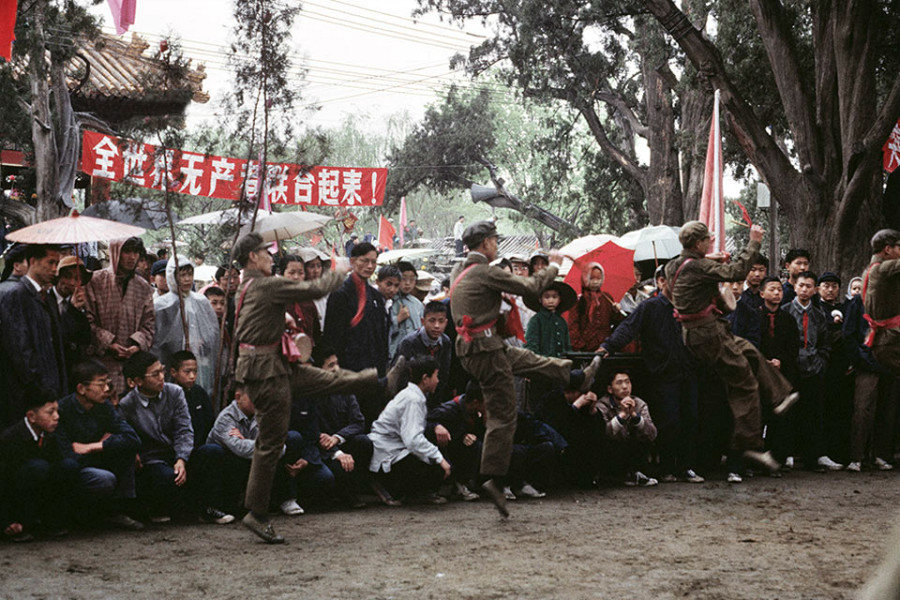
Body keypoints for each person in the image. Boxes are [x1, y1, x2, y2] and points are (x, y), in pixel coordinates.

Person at [231, 232, 381, 544]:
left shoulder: (245, 288)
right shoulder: (266, 284)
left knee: (326, 381)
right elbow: (314, 288)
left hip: (271, 367)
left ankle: (373, 380)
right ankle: (257, 513)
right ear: (251, 258)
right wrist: (342, 270)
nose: (271, 257)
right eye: (265, 252)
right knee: (270, 444)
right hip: (269, 372)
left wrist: (280, 319)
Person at [449, 220, 600, 516]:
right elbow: (531, 286)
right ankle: (492, 478)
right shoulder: (485, 271)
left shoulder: (460, 271)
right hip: (486, 350)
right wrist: (553, 267)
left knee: (528, 360)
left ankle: (577, 376)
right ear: (485, 244)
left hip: (481, 348)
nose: (496, 245)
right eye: (494, 240)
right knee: (504, 414)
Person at [665, 221, 797, 473]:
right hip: (707, 333)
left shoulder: (675, 265)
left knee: (748, 350)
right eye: (707, 240)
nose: (710, 243)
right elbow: (737, 271)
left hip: (706, 331)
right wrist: (755, 241)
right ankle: (749, 445)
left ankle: (780, 396)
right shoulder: (700, 267)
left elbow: (689, 266)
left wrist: (711, 259)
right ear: (697, 244)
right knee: (745, 383)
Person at [599, 265, 703, 484]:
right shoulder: (650, 307)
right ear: (661, 282)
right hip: (663, 373)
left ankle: (686, 466)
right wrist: (609, 346)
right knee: (669, 420)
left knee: (691, 418)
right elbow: (629, 327)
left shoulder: (690, 306)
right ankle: (666, 467)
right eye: (673, 280)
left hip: (689, 370)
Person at [56, 360, 144, 531]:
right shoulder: (62, 410)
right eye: (101, 383)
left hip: (91, 458)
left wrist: (94, 446)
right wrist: (101, 451)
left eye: (108, 383)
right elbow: (66, 453)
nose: (107, 389)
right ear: (81, 388)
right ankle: (72, 516)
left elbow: (133, 438)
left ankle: (118, 512)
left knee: (126, 451)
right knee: (101, 477)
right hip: (74, 467)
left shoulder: (103, 407)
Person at [208, 383, 309, 517]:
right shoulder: (225, 419)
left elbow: (277, 443)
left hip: (255, 461)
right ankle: (215, 506)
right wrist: (261, 444)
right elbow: (242, 450)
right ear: (238, 398)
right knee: (216, 452)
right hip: (232, 466)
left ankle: (285, 499)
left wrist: (246, 441)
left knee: (292, 438)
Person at [780, 271, 842, 471]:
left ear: (815, 290)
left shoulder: (818, 314)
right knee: (789, 411)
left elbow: (824, 342)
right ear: (795, 287)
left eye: (809, 286)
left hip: (813, 367)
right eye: (801, 285)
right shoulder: (786, 311)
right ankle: (786, 453)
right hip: (791, 368)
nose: (805, 289)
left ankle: (813, 456)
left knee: (813, 413)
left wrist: (821, 361)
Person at [0, 244, 67, 426]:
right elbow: (20, 350)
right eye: (51, 263)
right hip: (31, 394)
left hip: (52, 388)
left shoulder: (47, 296)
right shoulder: (16, 295)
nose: (55, 269)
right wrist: (38, 388)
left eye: (57, 263)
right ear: (33, 262)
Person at [1, 386, 79, 542]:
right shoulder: (10, 439)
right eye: (50, 412)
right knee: (37, 467)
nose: (56, 417)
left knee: (69, 465)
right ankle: (19, 523)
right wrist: (5, 520)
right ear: (31, 416)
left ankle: (51, 521)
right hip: (14, 496)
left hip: (39, 491)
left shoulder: (50, 433)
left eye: (57, 411)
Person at [369, 356, 451, 504]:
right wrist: (439, 458)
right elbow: (412, 440)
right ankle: (393, 487)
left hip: (395, 446)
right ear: (425, 378)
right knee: (437, 468)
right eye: (436, 376)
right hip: (387, 450)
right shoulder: (413, 399)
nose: (438, 381)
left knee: (435, 458)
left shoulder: (413, 395)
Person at [84, 237, 155, 397]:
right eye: (127, 251)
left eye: (135, 252)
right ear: (116, 253)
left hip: (132, 366)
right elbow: (87, 322)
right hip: (101, 365)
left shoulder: (144, 288)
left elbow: (149, 325)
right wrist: (109, 343)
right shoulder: (95, 281)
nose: (132, 257)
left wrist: (136, 345)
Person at [305, 346, 373, 508]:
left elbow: (358, 422)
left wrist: (337, 438)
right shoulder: (311, 395)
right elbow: (314, 432)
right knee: (327, 475)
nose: (336, 368)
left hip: (341, 442)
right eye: (330, 365)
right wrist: (337, 452)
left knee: (364, 442)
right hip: (322, 451)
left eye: (337, 363)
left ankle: (350, 493)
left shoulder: (345, 389)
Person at [152, 256, 221, 394]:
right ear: (172, 276)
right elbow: (157, 340)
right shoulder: (161, 305)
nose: (187, 279)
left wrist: (203, 341)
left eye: (190, 274)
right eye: (182, 275)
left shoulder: (201, 302)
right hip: (172, 363)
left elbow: (213, 332)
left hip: (199, 362)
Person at [324, 242, 390, 378]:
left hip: (374, 366)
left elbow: (381, 336)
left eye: (373, 262)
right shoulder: (340, 293)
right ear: (353, 261)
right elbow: (333, 335)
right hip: (349, 367)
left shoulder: (376, 295)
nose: (370, 266)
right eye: (365, 261)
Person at [596, 371, 659, 487]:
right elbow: (604, 434)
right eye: (619, 383)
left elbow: (652, 434)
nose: (625, 387)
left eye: (627, 382)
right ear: (610, 389)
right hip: (613, 451)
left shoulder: (639, 403)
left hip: (634, 450)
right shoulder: (602, 405)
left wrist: (635, 416)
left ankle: (636, 473)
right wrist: (622, 415)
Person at [425, 380, 485, 501]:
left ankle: (462, 483)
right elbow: (425, 424)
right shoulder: (448, 410)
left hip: (455, 446)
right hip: (441, 450)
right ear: (475, 402)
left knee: (476, 444)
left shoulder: (474, 412)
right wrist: (436, 426)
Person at [395, 301, 453, 409]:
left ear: (446, 322)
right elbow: (401, 379)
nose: (437, 326)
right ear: (423, 321)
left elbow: (444, 375)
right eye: (432, 321)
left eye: (441, 321)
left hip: (434, 399)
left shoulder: (446, 342)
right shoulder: (409, 343)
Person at [861, 228, 900, 375]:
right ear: (888, 249)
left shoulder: (868, 272)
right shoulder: (883, 270)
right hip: (891, 341)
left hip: (882, 341)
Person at [52, 256, 92, 389]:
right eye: (67, 276)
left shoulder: (78, 303)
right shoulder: (46, 300)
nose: (71, 282)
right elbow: (57, 334)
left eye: (77, 278)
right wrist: (72, 310)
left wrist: (78, 312)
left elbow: (85, 338)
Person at [567, 262, 623, 352]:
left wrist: (617, 311)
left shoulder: (606, 298)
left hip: (604, 346)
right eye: (592, 278)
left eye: (599, 278)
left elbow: (615, 320)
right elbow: (573, 326)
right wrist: (579, 346)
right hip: (585, 348)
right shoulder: (579, 300)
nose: (596, 282)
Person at [524, 281, 576, 359]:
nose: (551, 301)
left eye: (554, 297)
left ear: (559, 299)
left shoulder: (562, 321)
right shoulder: (536, 320)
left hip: (561, 362)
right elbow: (531, 345)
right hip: (543, 364)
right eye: (547, 297)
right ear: (540, 299)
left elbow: (567, 345)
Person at [280, 253, 321, 343]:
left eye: (300, 273)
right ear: (282, 274)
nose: (296, 277)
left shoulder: (308, 301)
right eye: (291, 273)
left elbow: (316, 333)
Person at [389, 261, 425, 360]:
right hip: (393, 356)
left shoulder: (417, 304)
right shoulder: (389, 301)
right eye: (404, 279)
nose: (407, 283)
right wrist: (398, 319)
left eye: (412, 279)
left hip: (414, 355)